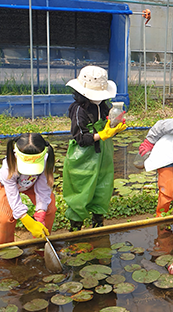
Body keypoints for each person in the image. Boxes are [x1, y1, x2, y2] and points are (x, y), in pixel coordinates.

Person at [63, 65, 127, 230]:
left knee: (102, 185)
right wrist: (102, 135)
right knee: (81, 188)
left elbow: (107, 127)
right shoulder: (79, 109)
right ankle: (76, 226)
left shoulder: (103, 106)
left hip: (103, 153)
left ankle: (98, 223)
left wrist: (114, 128)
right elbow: (81, 138)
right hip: (83, 156)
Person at [0, 133, 56, 244]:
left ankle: (41, 243)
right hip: (7, 186)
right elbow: (12, 195)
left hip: (32, 183)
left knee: (49, 209)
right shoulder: (8, 167)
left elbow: (43, 188)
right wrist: (25, 218)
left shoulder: (46, 161)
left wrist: (40, 213)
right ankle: (6, 249)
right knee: (4, 218)